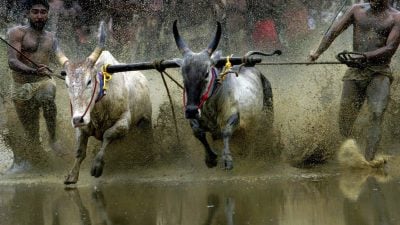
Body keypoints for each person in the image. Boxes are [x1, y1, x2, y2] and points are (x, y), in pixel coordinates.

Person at [309, 0, 400, 162]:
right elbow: (333, 31)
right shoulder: (356, 10)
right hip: (355, 71)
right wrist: (317, 53)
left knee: (377, 113)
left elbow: (389, 49)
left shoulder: (396, 17)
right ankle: (347, 154)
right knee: (345, 120)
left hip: (379, 72)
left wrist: (364, 56)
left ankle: (368, 161)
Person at [7, 0, 69, 158]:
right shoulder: (16, 33)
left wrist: (69, 70)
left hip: (43, 82)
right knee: (31, 133)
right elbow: (12, 62)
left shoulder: (51, 38)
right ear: (28, 13)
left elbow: (61, 58)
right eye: (35, 12)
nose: (39, 16)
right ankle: (37, 156)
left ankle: (53, 140)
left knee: (47, 97)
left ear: (48, 14)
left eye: (43, 12)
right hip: (21, 86)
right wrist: (34, 71)